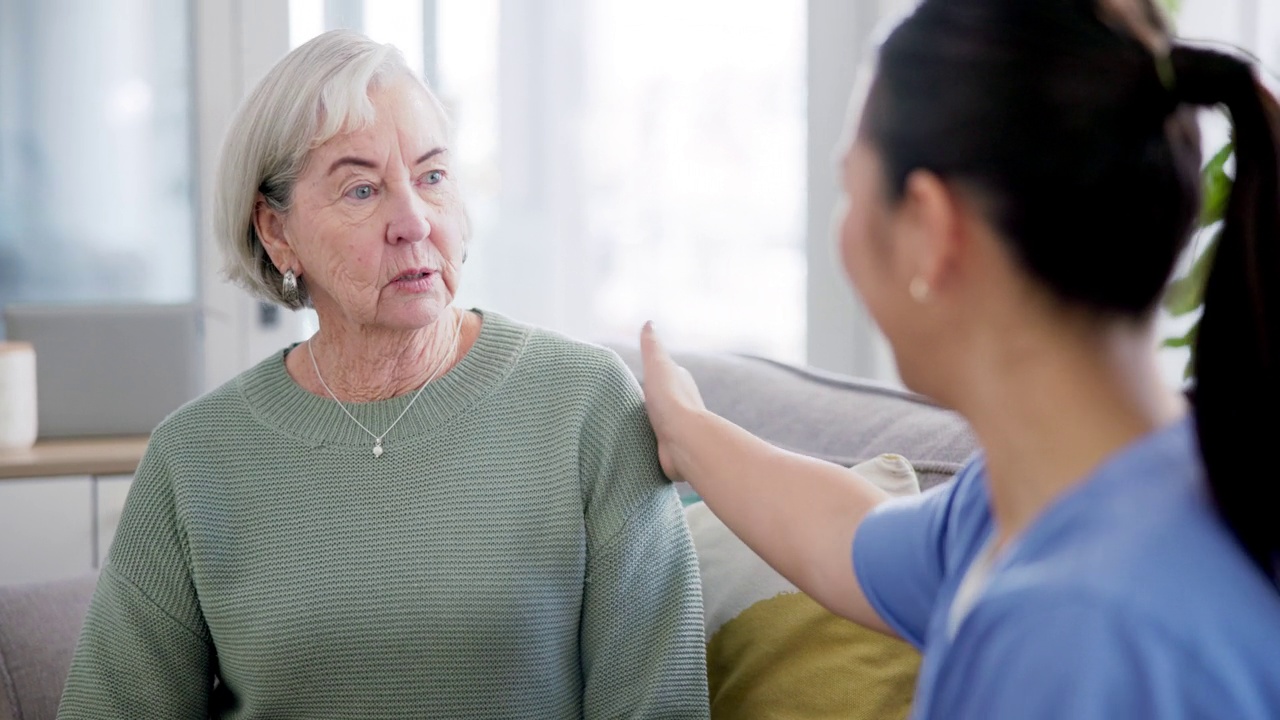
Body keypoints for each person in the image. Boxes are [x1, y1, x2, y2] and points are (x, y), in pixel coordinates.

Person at [639, 0, 1280, 717]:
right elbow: (843, 533)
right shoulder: (1058, 493)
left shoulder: (1077, 638)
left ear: (929, 228)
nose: (844, 234)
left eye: (849, 189)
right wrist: (687, 431)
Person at [58, 30, 707, 719]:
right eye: (362, 190)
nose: (413, 221)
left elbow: (657, 700)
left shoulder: (585, 405)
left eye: (431, 177)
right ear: (276, 232)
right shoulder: (194, 458)